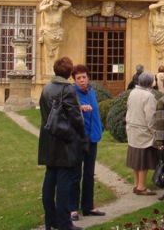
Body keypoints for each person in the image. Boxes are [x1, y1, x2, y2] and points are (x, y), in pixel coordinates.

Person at [38, 56, 84, 230]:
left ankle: (50, 221)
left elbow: (44, 115)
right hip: (64, 141)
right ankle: (65, 223)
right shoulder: (68, 89)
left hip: (49, 140)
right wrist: (81, 135)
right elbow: (76, 117)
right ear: (69, 73)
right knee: (64, 183)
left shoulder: (46, 88)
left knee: (50, 180)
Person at [69, 65, 105, 221]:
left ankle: (88, 206)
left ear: (88, 77)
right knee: (76, 174)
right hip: (79, 139)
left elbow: (95, 112)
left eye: (84, 77)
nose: (82, 80)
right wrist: (80, 108)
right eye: (79, 78)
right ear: (74, 80)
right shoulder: (71, 93)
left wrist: (100, 128)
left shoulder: (91, 91)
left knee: (89, 174)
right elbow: (67, 112)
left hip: (93, 138)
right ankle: (72, 209)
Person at [125, 71, 159, 195]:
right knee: (143, 159)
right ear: (150, 83)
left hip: (132, 127)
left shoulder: (133, 92)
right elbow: (150, 116)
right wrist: (154, 131)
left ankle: (136, 184)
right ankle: (141, 186)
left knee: (136, 158)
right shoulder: (148, 96)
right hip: (143, 130)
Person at [38, 0, 72, 67]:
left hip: (57, 32)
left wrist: (60, 0)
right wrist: (50, 3)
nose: (55, 4)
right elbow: (41, 8)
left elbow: (69, 4)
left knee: (56, 54)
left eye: (57, 3)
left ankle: (53, 71)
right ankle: (49, 71)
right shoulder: (47, 10)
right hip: (47, 32)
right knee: (48, 54)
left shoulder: (60, 10)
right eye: (54, 2)